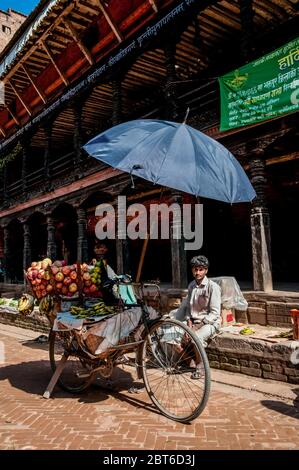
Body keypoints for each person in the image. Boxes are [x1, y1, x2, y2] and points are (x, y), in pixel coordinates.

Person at [169, 255, 221, 378]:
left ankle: (201, 366)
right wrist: (189, 324)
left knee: (195, 338)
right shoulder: (192, 285)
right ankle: (190, 362)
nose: (197, 272)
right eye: (195, 269)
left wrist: (196, 327)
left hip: (210, 323)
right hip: (193, 322)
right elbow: (189, 309)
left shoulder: (213, 287)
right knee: (169, 335)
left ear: (206, 270)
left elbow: (215, 313)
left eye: (200, 269)